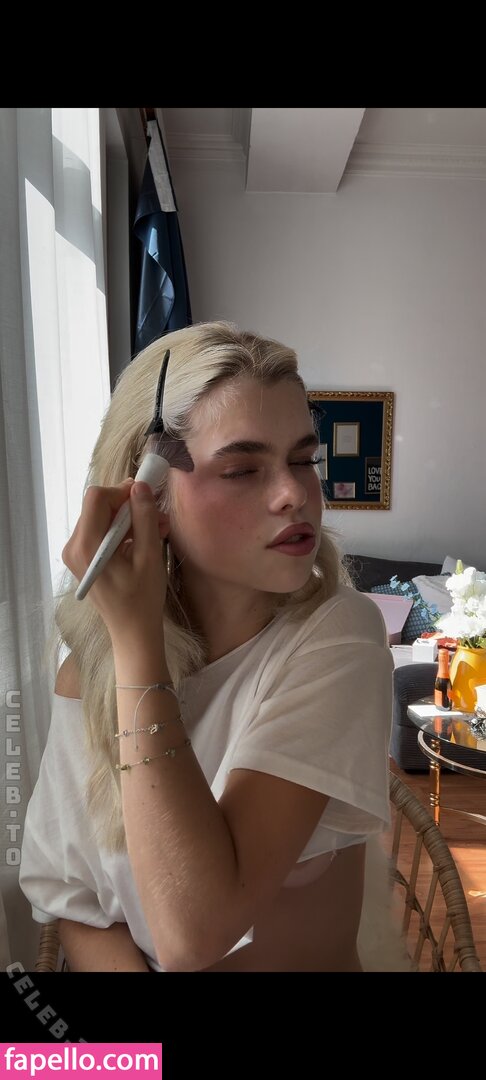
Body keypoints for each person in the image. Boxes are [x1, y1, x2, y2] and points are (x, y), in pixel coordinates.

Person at [19, 321, 394, 972]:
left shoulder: (336, 637)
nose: (294, 494)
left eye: (304, 460)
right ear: (148, 498)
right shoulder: (87, 674)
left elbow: (194, 932)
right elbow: (75, 903)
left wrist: (136, 643)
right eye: (243, 469)